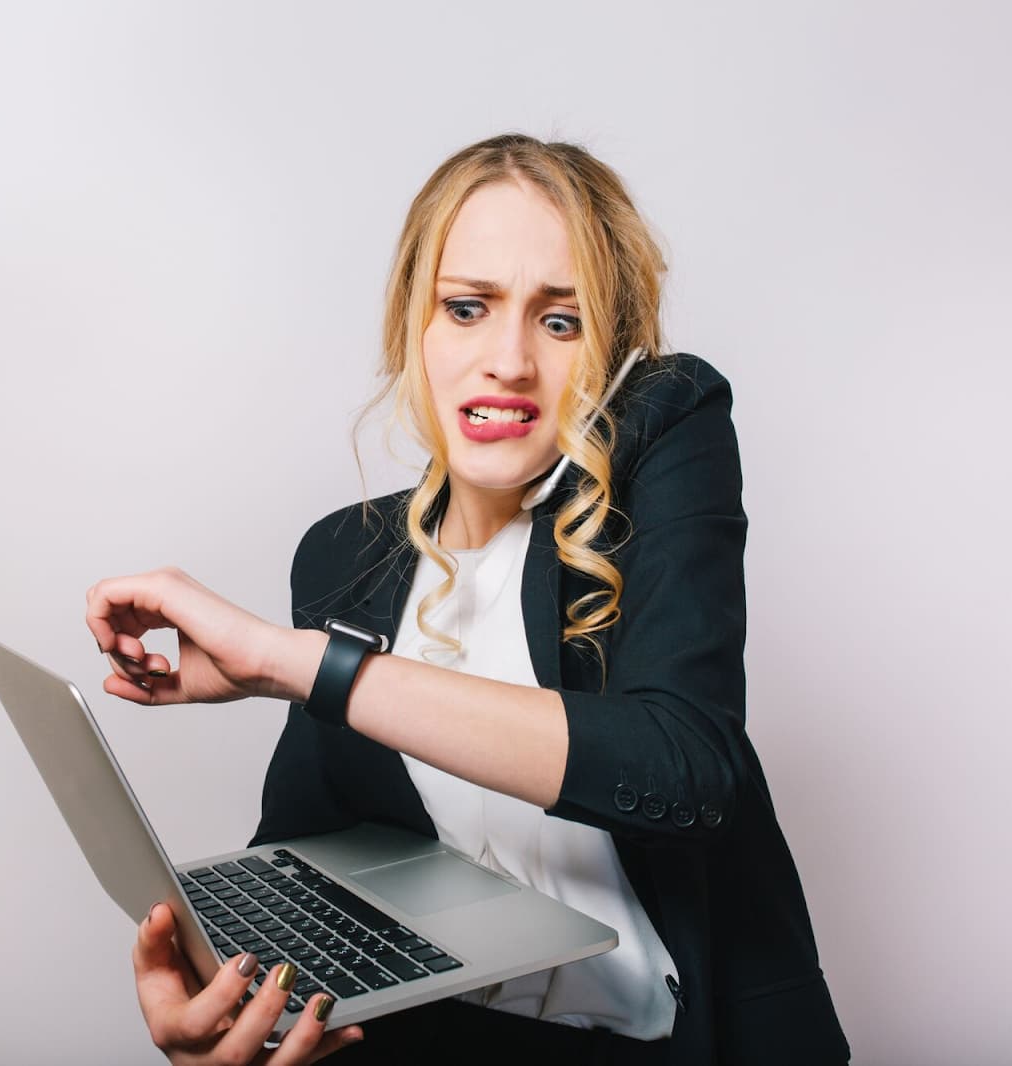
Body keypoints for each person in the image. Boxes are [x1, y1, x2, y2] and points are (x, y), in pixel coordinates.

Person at [85, 133, 849, 1065]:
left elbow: (687, 769)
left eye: (560, 322)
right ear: (416, 323)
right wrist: (222, 998)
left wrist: (289, 662)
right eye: (467, 307)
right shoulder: (344, 554)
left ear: (610, 350)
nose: (510, 361)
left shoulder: (668, 440)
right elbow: (309, 853)